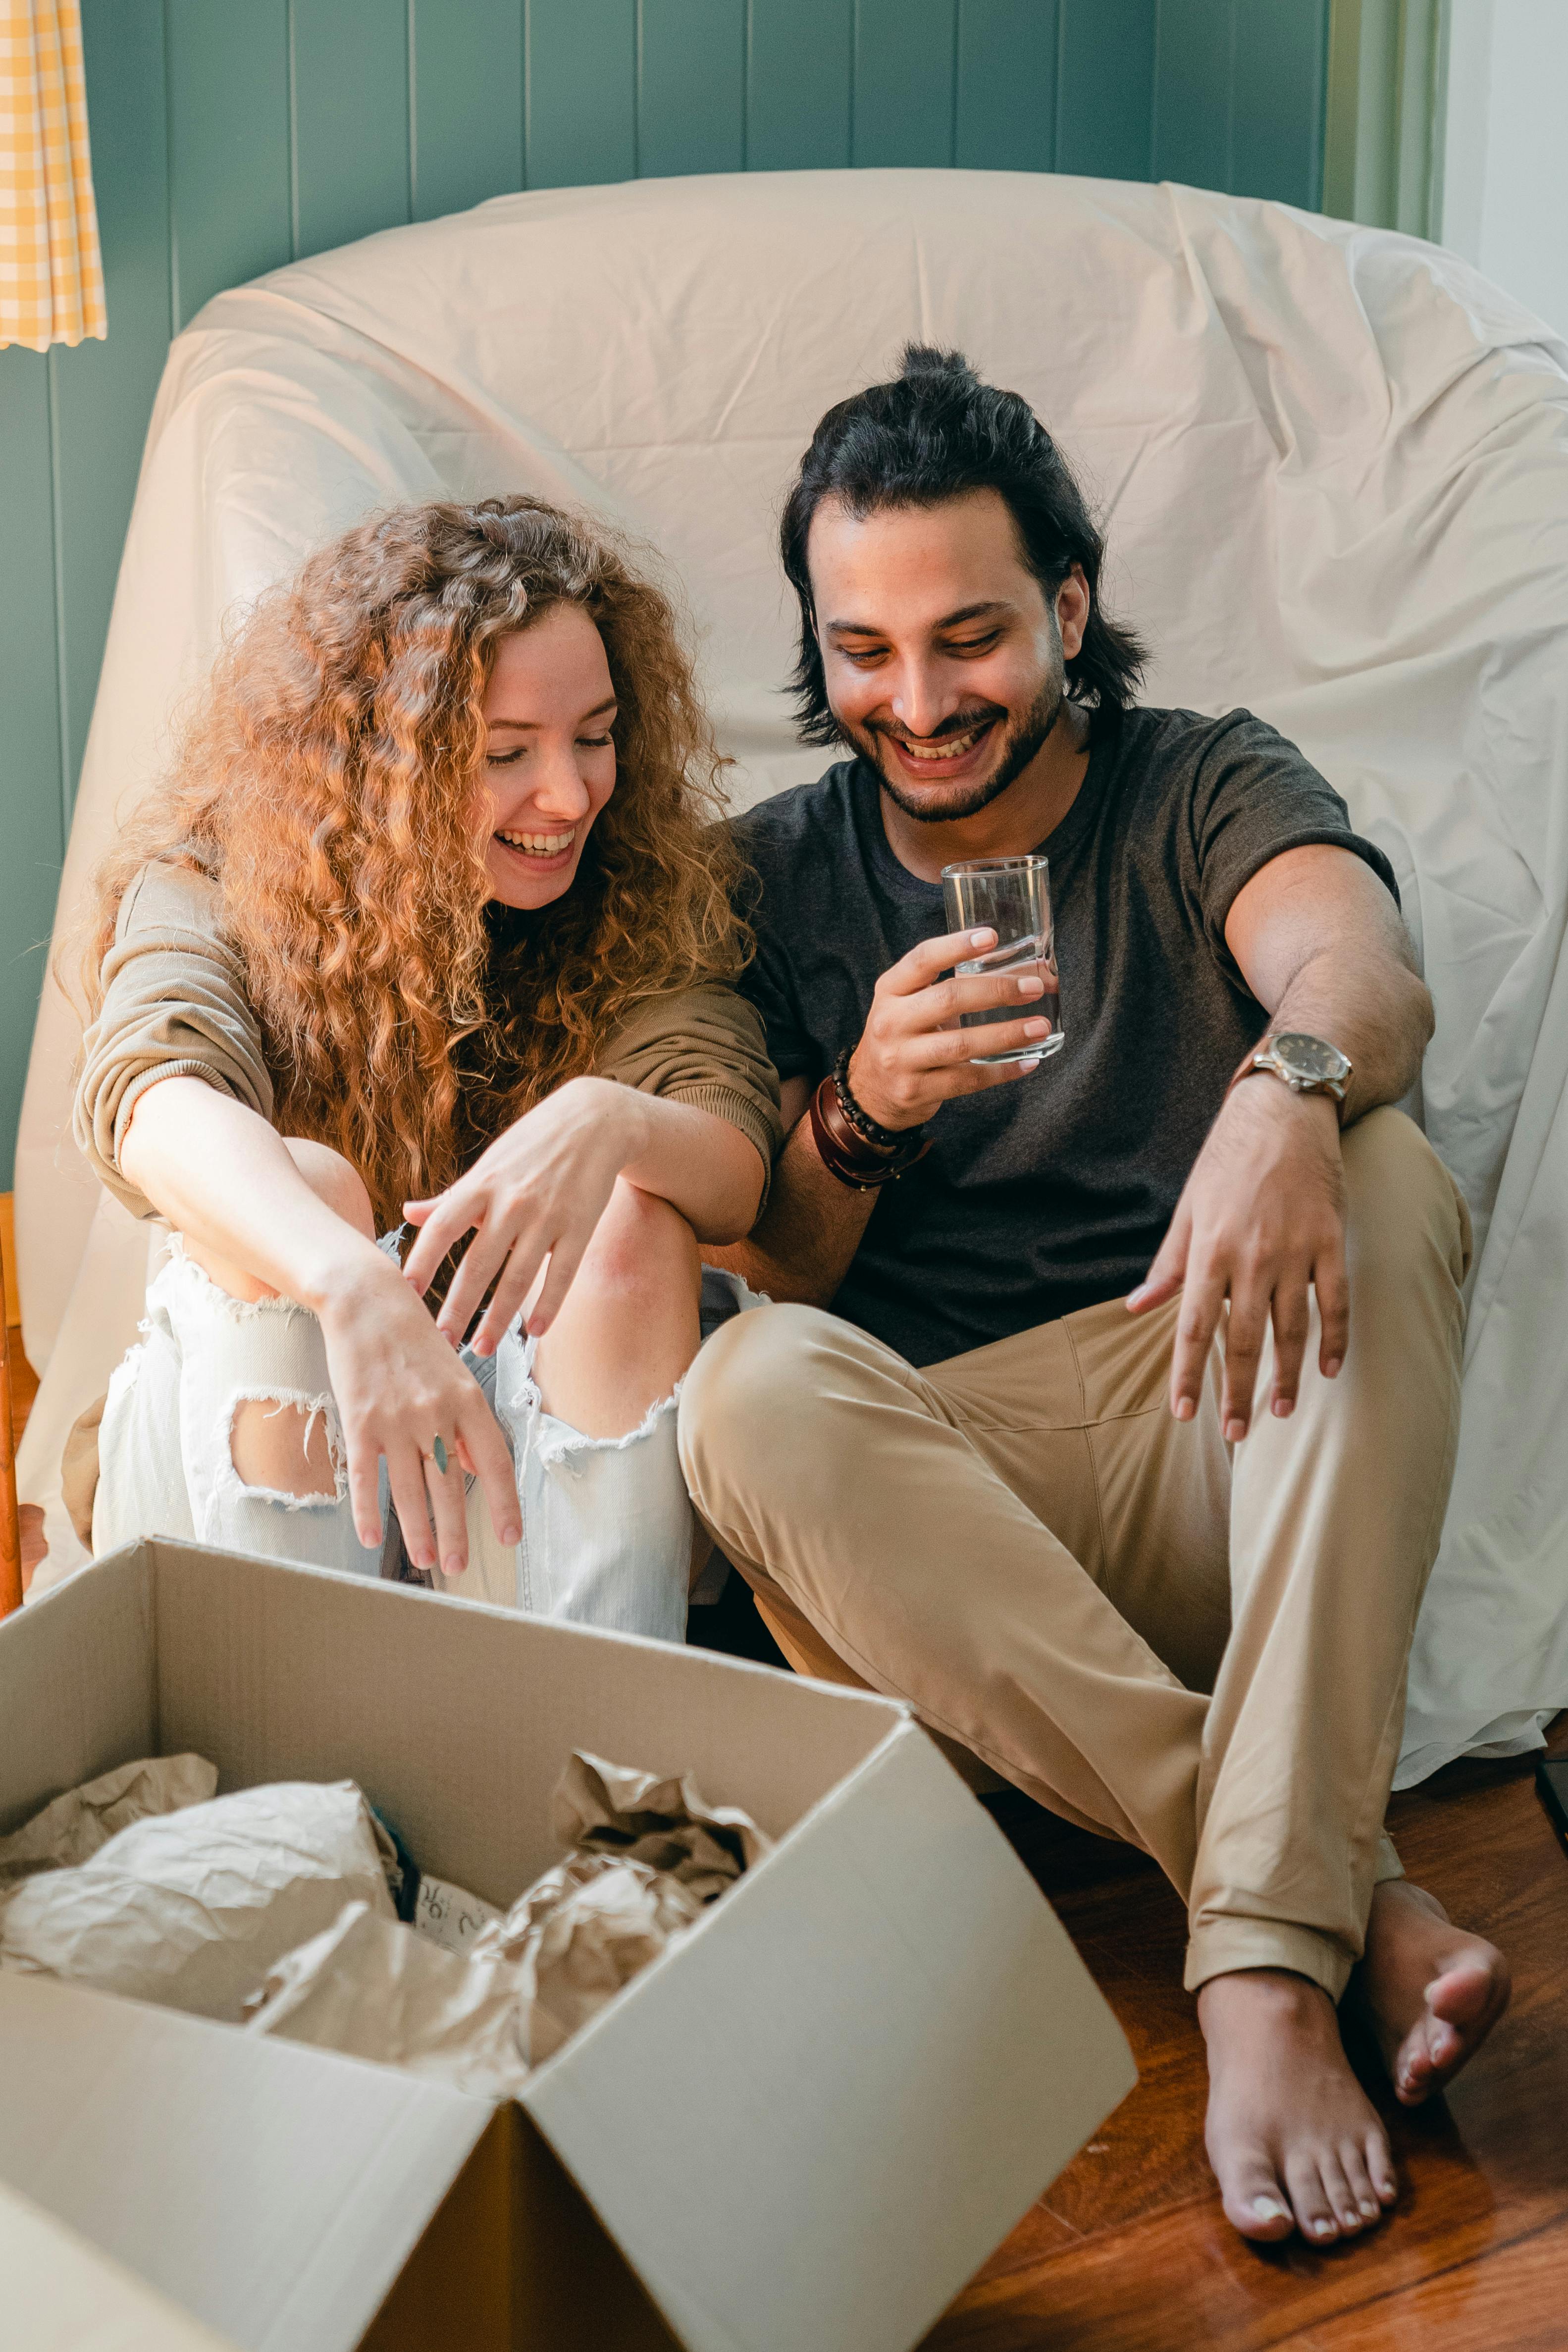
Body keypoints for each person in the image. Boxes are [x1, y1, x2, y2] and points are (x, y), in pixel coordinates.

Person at [679, 348, 1510, 2244]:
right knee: (745, 1396)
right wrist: (862, 1108)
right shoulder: (773, 881)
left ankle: (1245, 1976)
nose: (915, 701)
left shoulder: (1193, 781)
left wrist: (1283, 1094)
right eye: (863, 651)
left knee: (1382, 1159)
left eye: (966, 637)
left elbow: (1358, 967)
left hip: (1224, 1407)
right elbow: (780, 1262)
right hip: (956, 1523)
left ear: (1064, 607)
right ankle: (1318, 1904)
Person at [73, 495, 779, 1639]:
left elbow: (731, 1157)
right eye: (504, 754)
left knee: (637, 1212)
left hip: (510, 1492)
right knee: (304, 1189)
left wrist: (608, 1120)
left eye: (593, 736)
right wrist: (347, 1281)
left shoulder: (639, 887)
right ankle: (296, 1750)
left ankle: (594, 1758)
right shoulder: (221, 872)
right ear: (375, 764)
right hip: (250, 1459)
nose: (568, 794)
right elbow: (152, 1093)